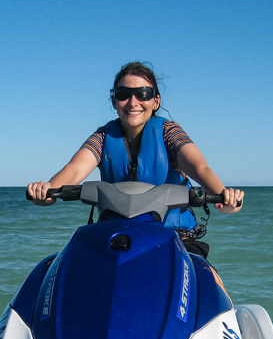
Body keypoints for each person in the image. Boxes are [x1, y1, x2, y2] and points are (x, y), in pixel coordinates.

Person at [26, 62, 244, 255]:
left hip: (175, 237)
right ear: (114, 101)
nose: (133, 102)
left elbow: (198, 166)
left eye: (143, 94)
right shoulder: (103, 137)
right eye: (123, 94)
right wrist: (48, 190)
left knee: (203, 279)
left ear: (155, 101)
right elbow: (75, 168)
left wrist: (224, 195)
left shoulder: (169, 133)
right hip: (115, 237)